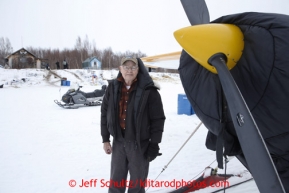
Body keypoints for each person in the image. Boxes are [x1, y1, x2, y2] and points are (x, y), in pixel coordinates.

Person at [101, 56, 165, 193]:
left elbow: (158, 119)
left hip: (139, 145)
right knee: (115, 184)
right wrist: (105, 139)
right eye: (126, 67)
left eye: (133, 67)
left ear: (138, 69)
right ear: (120, 69)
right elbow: (104, 114)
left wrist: (154, 144)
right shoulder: (112, 88)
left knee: (137, 185)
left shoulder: (149, 91)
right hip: (118, 142)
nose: (129, 70)